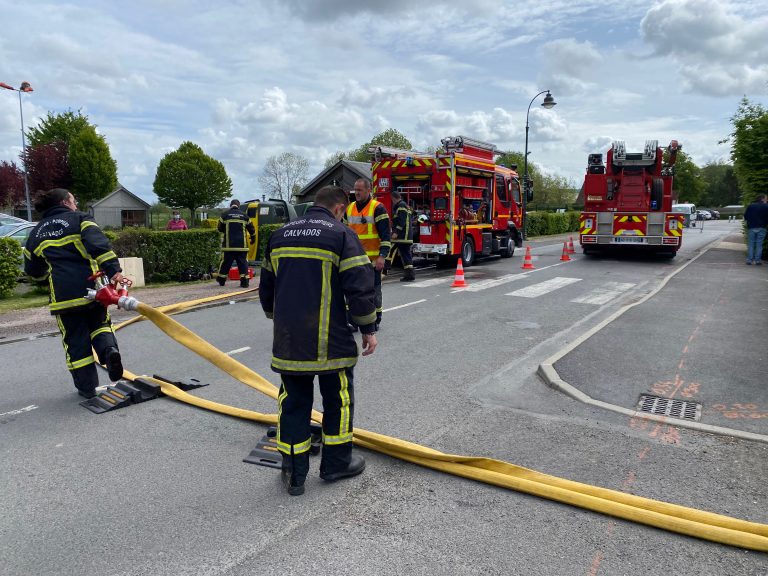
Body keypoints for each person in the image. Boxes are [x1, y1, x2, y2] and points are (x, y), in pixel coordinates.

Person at [259, 185, 378, 496]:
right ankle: (336, 463)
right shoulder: (340, 235)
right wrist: (368, 328)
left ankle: (294, 473)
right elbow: (360, 287)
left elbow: (267, 288)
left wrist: (279, 319)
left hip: (289, 341)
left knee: (293, 402)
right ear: (339, 208)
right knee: (338, 400)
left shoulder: (280, 234)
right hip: (331, 342)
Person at [23, 188, 125, 399]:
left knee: (75, 340)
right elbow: (100, 246)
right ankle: (108, 352)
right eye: (73, 199)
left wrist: (48, 276)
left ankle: (87, 388)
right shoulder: (80, 219)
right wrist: (114, 270)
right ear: (64, 202)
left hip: (63, 297)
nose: (76, 203)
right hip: (92, 291)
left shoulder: (36, 232)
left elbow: (33, 270)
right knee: (100, 325)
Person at [344, 178, 391, 329]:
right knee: (352, 293)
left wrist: (382, 257)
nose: (356, 193)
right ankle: (353, 321)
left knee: (373, 292)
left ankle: (376, 319)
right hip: (353, 260)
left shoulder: (378, 208)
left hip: (372, 261)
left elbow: (386, 236)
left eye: (360, 190)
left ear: (368, 190)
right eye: (355, 189)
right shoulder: (349, 208)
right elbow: (343, 232)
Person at [215, 199, 256, 287]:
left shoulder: (225, 215)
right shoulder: (245, 216)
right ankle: (244, 282)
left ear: (231, 205)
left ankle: (221, 280)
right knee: (243, 263)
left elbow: (219, 228)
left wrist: (226, 230)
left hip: (228, 246)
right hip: (242, 246)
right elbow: (252, 230)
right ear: (238, 205)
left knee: (225, 263)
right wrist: (253, 239)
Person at [386, 189, 416, 282]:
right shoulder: (404, 206)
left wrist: (396, 233)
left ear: (393, 198)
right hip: (406, 237)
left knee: (389, 249)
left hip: (402, 236)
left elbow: (401, 221)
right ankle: (410, 275)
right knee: (406, 256)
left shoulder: (401, 206)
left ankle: (384, 269)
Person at [744, 194, 768, 265]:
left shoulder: (751, 206)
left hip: (751, 227)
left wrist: (750, 222)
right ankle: (758, 261)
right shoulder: (766, 206)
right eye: (766, 198)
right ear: (762, 199)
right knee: (759, 244)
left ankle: (749, 260)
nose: (767, 200)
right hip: (762, 227)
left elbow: (746, 216)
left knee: (751, 244)